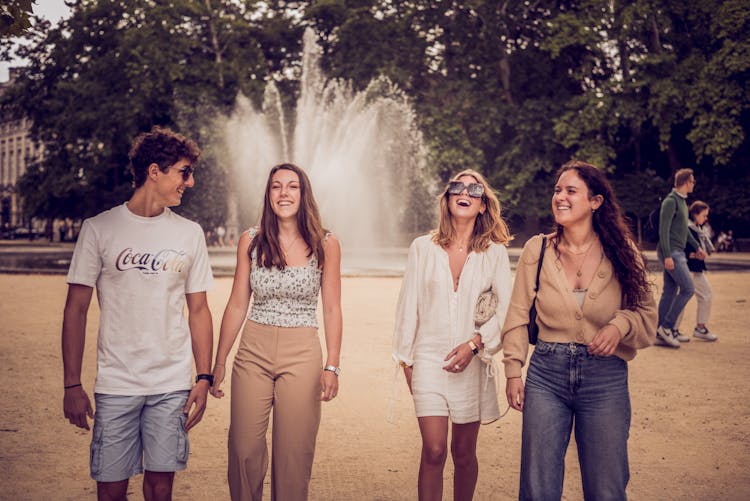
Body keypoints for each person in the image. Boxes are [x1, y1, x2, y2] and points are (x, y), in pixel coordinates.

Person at [62, 127, 214, 501]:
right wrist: (71, 384)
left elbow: (199, 310)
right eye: (184, 172)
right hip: (117, 384)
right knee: (111, 491)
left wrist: (204, 376)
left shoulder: (190, 234)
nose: (189, 182)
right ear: (154, 171)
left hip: (171, 383)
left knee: (161, 490)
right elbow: (76, 309)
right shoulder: (99, 229)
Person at [501, 160, 657, 501]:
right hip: (545, 376)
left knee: (606, 486)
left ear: (596, 201)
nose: (560, 197)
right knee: (537, 486)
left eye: (571, 191)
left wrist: (620, 325)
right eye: (558, 190)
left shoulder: (622, 252)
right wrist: (513, 370)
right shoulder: (536, 249)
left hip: (606, 378)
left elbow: (647, 313)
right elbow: (516, 314)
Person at [210, 163, 342, 501]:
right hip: (253, 348)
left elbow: (331, 308)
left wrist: (332, 365)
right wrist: (220, 360)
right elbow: (237, 303)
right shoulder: (251, 241)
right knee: (243, 447)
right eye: (276, 187)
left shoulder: (326, 243)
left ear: (304, 194)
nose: (284, 193)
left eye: (292, 186)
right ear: (268, 195)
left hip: (302, 352)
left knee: (293, 453)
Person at [392, 169, 513, 501]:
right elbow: (408, 307)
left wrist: (476, 344)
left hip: (473, 363)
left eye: (475, 188)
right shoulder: (422, 248)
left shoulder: (495, 253)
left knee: (463, 452)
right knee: (433, 450)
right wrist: (406, 361)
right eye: (457, 186)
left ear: (483, 205)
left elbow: (506, 311)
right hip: (429, 360)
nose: (465, 191)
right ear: (447, 199)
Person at [655, 168, 705, 347]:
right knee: (688, 288)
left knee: (669, 291)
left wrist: (697, 246)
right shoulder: (670, 201)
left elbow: (684, 231)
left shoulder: (682, 202)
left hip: (678, 251)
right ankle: (667, 327)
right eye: (692, 181)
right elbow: (664, 230)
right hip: (672, 252)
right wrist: (668, 255)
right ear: (685, 182)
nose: (694, 183)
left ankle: (659, 331)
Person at [674, 201, 718, 341]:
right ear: (695, 214)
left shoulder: (697, 229)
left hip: (694, 269)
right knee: (697, 295)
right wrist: (694, 255)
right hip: (689, 269)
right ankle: (683, 329)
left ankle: (677, 328)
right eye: (704, 215)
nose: (706, 218)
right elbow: (680, 249)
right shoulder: (689, 229)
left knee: (699, 295)